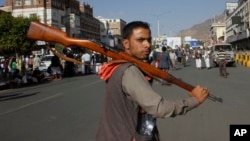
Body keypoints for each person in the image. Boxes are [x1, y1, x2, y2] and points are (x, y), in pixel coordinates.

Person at [96, 21, 209, 141]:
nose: (147, 44)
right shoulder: (129, 70)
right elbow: (159, 108)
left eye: (149, 40)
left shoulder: (122, 66)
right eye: (140, 40)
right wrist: (194, 100)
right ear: (126, 43)